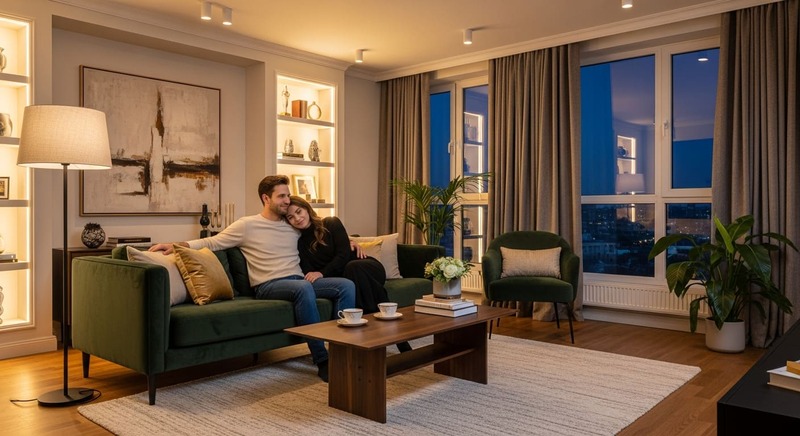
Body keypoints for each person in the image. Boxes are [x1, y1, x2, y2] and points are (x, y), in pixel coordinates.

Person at [149, 175, 355, 382]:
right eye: (281, 196)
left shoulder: (290, 224)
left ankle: (343, 352)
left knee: (345, 286)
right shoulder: (247, 225)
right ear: (266, 198)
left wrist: (350, 241)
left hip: (299, 281)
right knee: (303, 288)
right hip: (269, 285)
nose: (287, 200)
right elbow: (213, 242)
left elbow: (316, 231)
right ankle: (322, 359)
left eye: (288, 195)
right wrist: (176, 245)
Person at [285, 195, 412, 353]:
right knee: (356, 280)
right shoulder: (299, 242)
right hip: (350, 277)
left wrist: (322, 273)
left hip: (367, 266)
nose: (297, 218)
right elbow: (308, 270)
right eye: (291, 217)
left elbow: (344, 254)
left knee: (354, 268)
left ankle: (372, 337)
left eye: (299, 211)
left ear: (307, 209)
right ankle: (396, 337)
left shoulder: (330, 222)